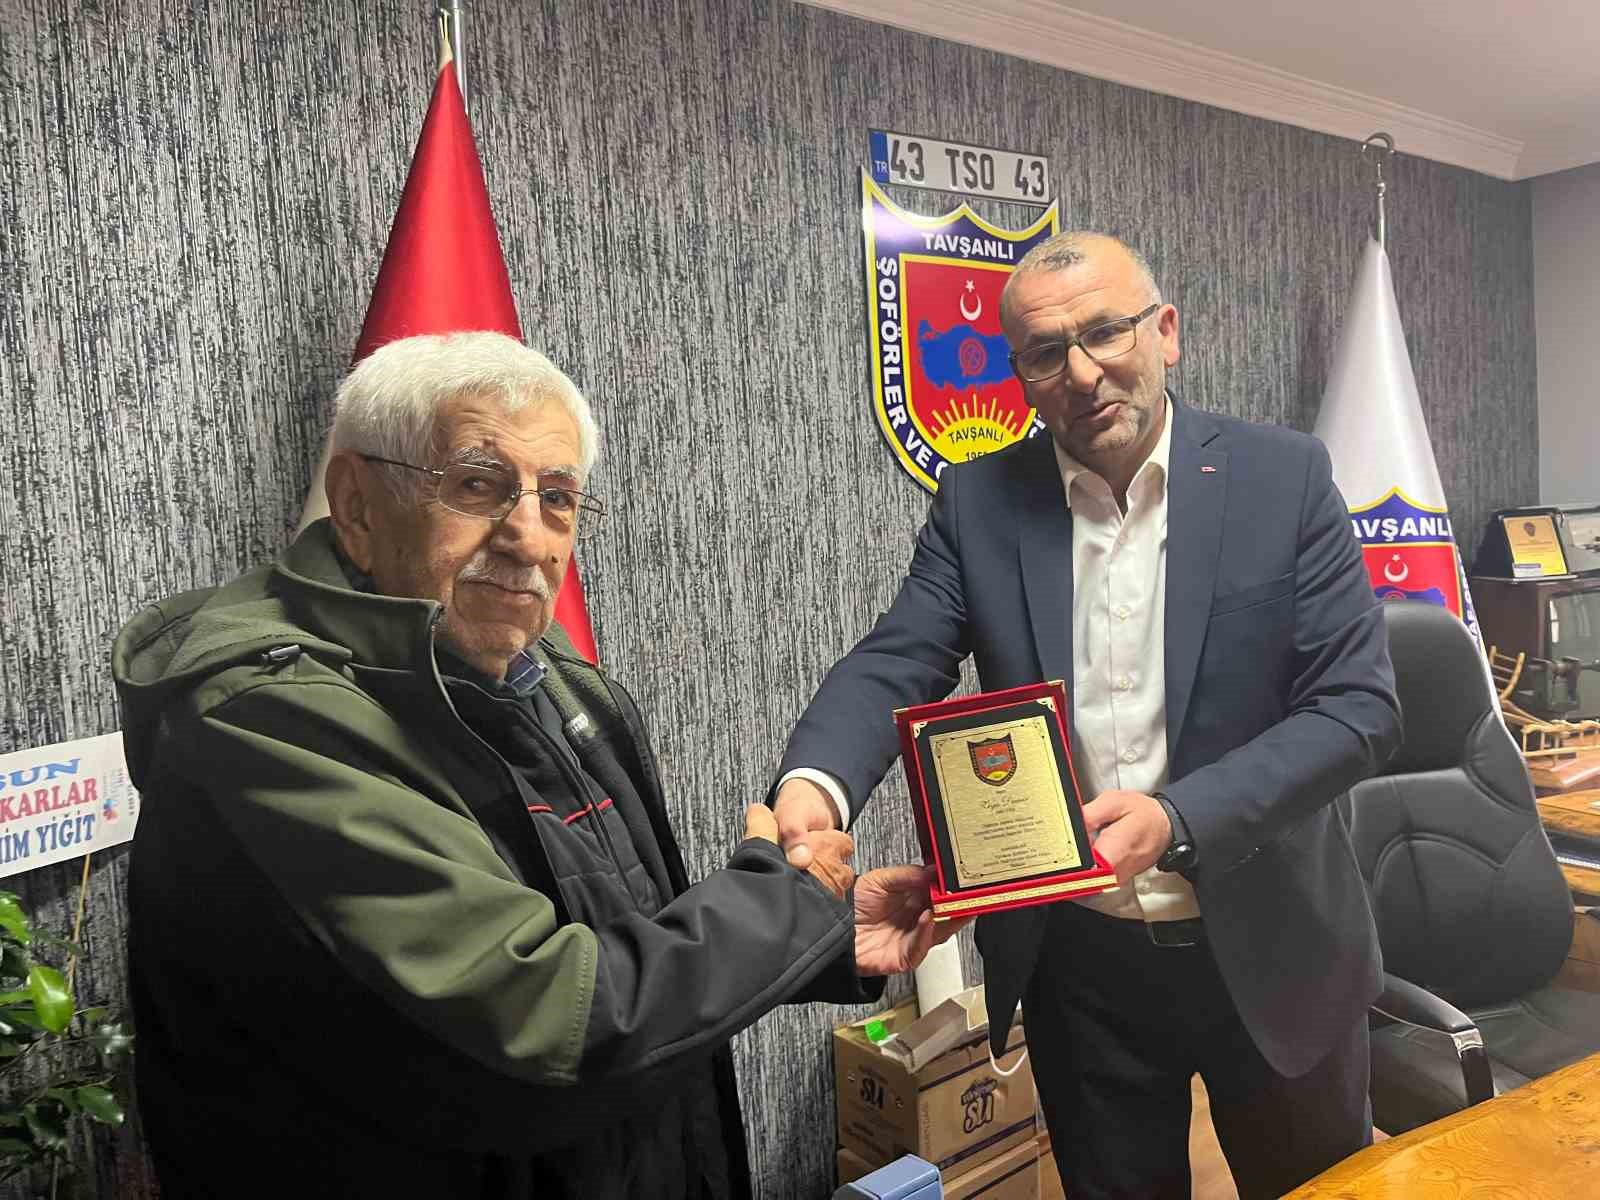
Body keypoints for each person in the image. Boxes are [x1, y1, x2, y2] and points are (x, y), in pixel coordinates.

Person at [112, 331, 952, 1199]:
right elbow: (548, 1028)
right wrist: (786, 903)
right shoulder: (268, 720)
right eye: (477, 485)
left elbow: (620, 943)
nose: (528, 537)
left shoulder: (537, 671)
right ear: (357, 504)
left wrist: (822, 936)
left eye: (557, 497)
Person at [773, 233, 1403, 1198]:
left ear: (1166, 332)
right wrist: (813, 788)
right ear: (1020, 374)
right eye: (1044, 353)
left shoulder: (1283, 479)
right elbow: (898, 658)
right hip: (1082, 973)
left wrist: (1178, 819)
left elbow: (1358, 710)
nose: (1081, 372)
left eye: (1106, 331)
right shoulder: (980, 501)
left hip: (1276, 949)